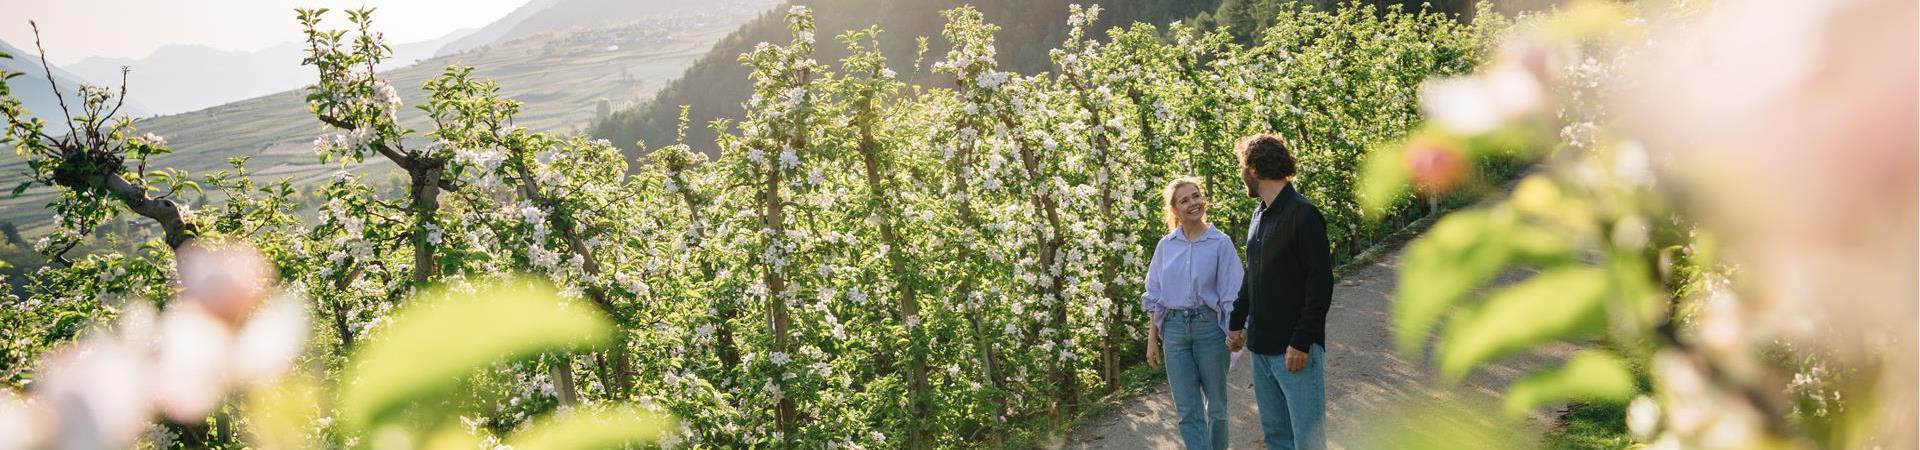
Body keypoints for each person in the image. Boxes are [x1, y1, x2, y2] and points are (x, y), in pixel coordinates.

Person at [1226, 134, 1334, 450]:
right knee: (1277, 438)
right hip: (1261, 348)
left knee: (1308, 440)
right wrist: (1237, 320)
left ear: (1255, 169)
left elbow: (1320, 284)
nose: (1240, 174)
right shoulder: (1259, 215)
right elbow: (1253, 273)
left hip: (1294, 351)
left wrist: (1301, 341)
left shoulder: (1304, 214)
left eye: (1241, 166)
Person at [1142, 176, 1244, 450]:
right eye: (1184, 200)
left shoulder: (1220, 243)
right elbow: (1154, 295)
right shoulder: (1166, 246)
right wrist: (1153, 339)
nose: (1193, 203)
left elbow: (1232, 294)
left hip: (1209, 329)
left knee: (1217, 409)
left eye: (1196, 196)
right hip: (1174, 332)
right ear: (1174, 209)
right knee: (1187, 412)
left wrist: (1236, 330)